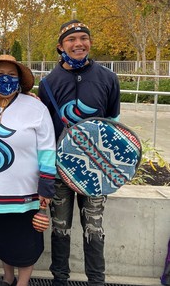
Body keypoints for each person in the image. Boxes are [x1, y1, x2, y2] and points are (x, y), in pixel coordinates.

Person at [38, 20, 120, 286]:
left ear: (90, 42)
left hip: (96, 171)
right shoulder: (49, 83)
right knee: (60, 228)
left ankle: (96, 281)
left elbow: (113, 124)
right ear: (60, 46)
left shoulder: (108, 78)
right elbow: (46, 131)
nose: (78, 44)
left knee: (94, 229)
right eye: (71, 40)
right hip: (61, 171)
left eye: (83, 38)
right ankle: (59, 279)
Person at [0, 54, 56, 286]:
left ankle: (23, 282)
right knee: (3, 238)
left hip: (26, 191)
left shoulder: (35, 107)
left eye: (11, 75)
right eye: (0, 75)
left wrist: (46, 185)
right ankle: (8, 278)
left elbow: (48, 149)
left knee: (26, 241)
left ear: (20, 80)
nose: (5, 80)